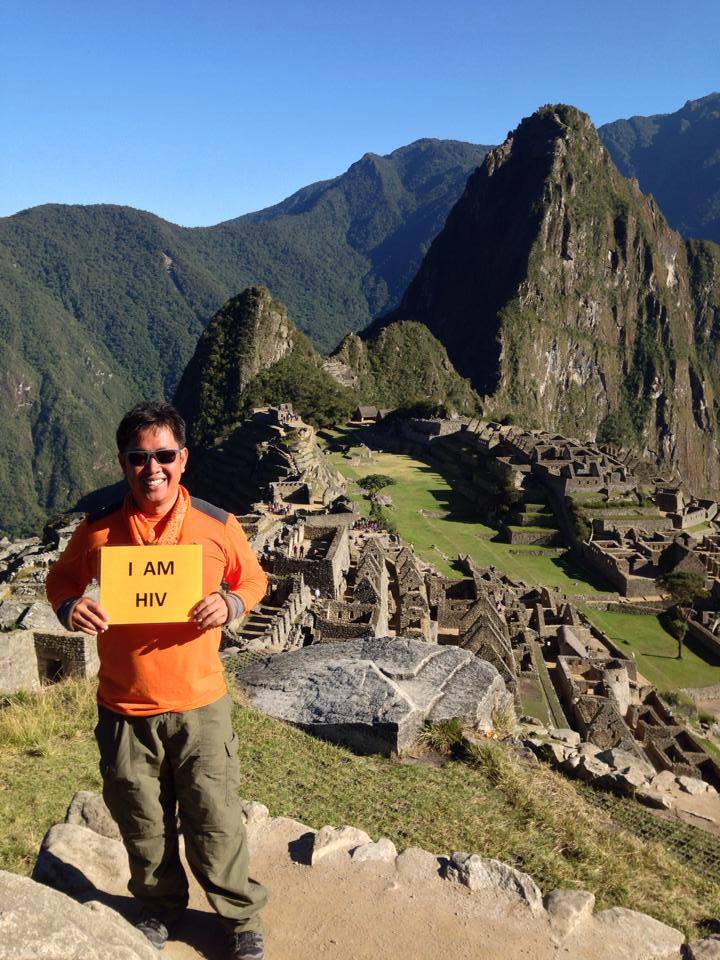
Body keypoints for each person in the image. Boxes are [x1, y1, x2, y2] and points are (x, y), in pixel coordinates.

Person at [46, 402, 268, 960]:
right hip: (124, 705)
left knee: (215, 817)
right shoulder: (97, 531)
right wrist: (70, 605)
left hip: (200, 704)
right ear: (123, 463)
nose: (153, 469)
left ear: (183, 459)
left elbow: (255, 578)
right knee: (142, 822)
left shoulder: (216, 526)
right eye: (139, 457)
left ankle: (239, 915)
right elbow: (60, 580)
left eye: (164, 455)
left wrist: (232, 601)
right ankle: (160, 905)